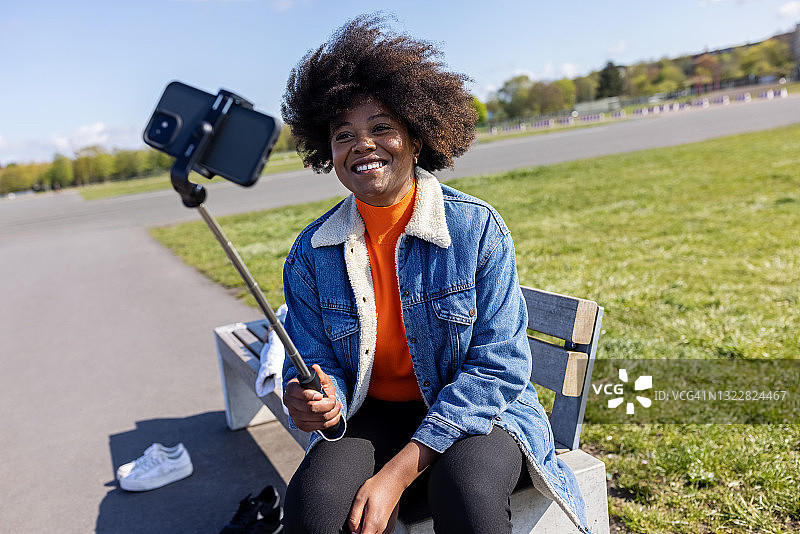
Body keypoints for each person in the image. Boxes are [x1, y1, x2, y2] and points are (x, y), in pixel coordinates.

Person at [279, 15, 590, 534]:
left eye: (381, 127)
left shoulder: (475, 228)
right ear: (326, 151)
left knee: (464, 493)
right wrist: (314, 395)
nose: (363, 144)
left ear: (416, 137)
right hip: (373, 413)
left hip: (481, 413)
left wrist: (397, 476)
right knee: (313, 507)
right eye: (344, 134)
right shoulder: (311, 253)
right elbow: (315, 360)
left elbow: (499, 368)